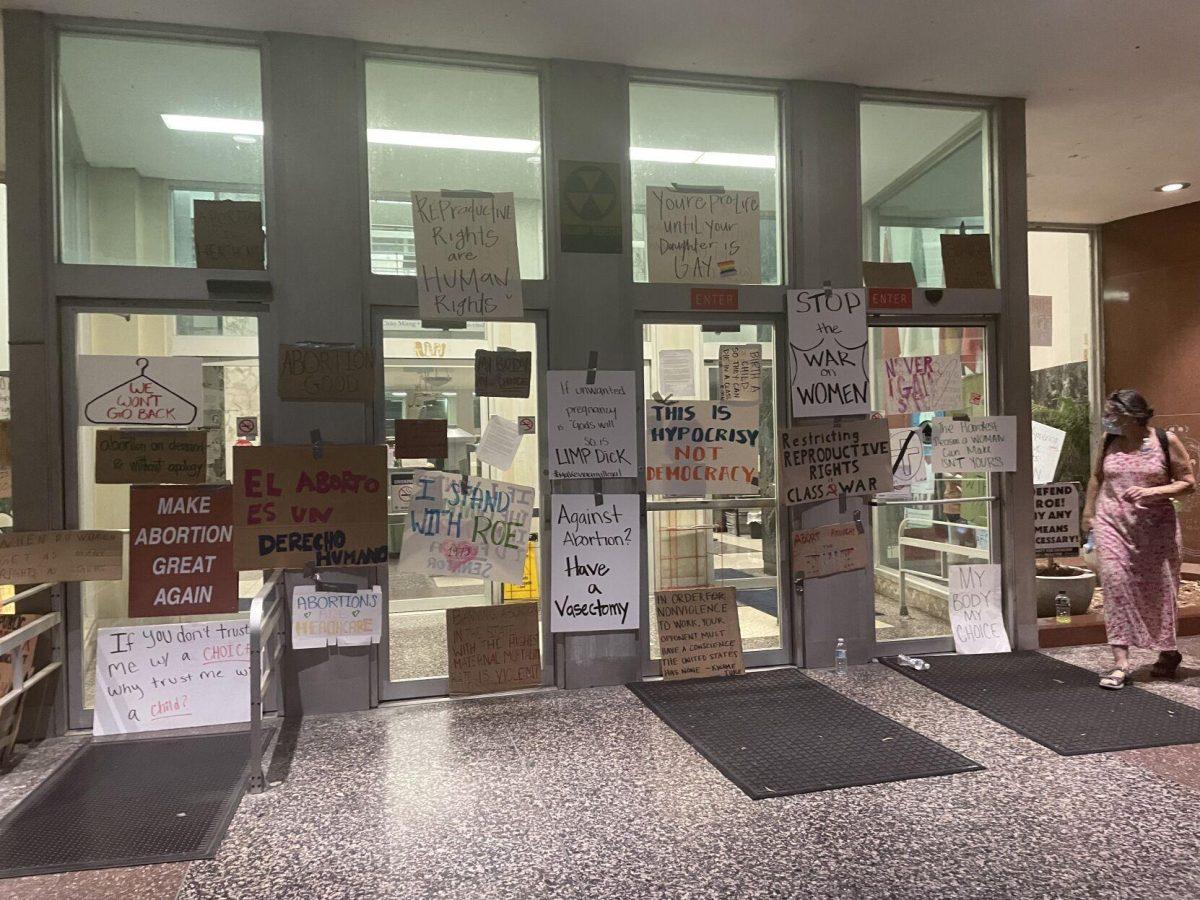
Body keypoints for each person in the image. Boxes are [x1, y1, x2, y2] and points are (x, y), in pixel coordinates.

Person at [1082, 389, 1195, 689]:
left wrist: (1152, 492)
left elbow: (1188, 484)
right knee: (1116, 584)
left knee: (1160, 589)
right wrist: (1088, 513)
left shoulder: (1164, 441)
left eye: (1111, 413)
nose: (1107, 419)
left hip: (1155, 529)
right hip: (1112, 524)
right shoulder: (1109, 441)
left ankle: (1168, 652)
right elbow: (1096, 477)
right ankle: (1121, 663)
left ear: (1131, 415)